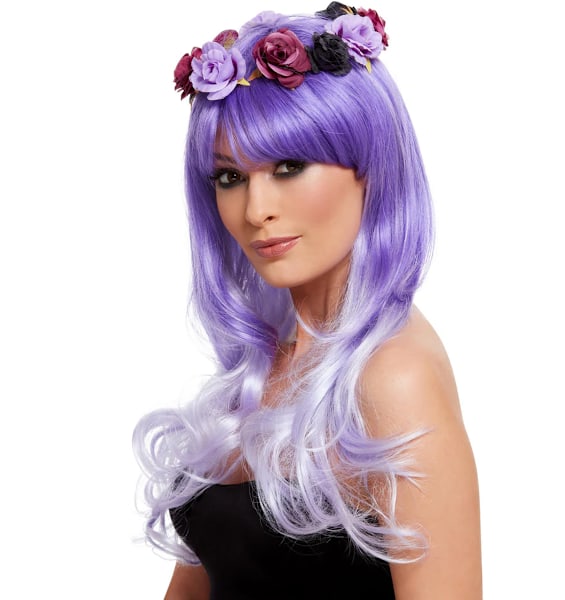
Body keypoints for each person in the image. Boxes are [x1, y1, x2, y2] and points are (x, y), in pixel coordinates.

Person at [133, 3, 482, 599]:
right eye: (229, 177)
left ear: (370, 168)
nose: (255, 210)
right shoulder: (270, 361)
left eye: (289, 166)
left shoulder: (393, 375)